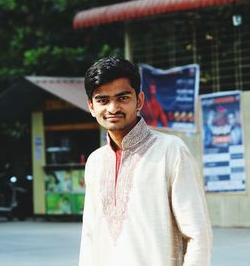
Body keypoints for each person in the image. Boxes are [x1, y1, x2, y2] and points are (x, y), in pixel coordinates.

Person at [79, 57, 212, 266]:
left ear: (139, 100)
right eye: (103, 100)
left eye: (122, 98)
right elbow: (89, 237)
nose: (113, 108)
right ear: (91, 106)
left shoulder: (171, 151)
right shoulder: (95, 162)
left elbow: (198, 235)